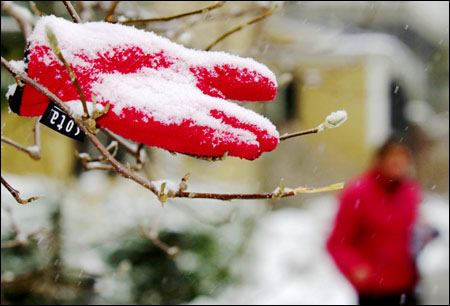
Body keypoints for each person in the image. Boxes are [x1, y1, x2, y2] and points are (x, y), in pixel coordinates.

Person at [327, 134, 423, 305]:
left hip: (407, 288)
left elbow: (412, 234)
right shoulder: (358, 193)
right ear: (380, 159)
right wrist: (354, 266)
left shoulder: (411, 192)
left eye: (403, 157)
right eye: (393, 156)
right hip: (374, 292)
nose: (398, 162)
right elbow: (337, 242)